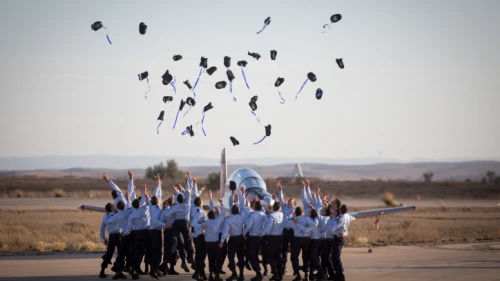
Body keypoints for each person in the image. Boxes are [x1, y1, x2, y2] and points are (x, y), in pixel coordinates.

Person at [122, 195, 151, 280]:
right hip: (146, 233)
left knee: (137, 252)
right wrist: (146, 195)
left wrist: (125, 233)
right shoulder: (145, 210)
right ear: (140, 204)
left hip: (138, 234)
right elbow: (150, 203)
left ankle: (133, 268)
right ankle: (151, 268)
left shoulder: (132, 214)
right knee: (148, 250)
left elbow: (130, 227)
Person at [197, 202, 226, 281]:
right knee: (219, 259)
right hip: (215, 243)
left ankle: (210, 274)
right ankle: (217, 274)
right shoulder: (216, 222)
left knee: (211, 259)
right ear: (214, 216)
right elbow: (223, 214)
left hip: (208, 244)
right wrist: (221, 205)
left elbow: (199, 228)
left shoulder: (205, 222)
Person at [223, 193, 246, 281]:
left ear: (231, 211)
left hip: (232, 239)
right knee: (240, 257)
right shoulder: (241, 217)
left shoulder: (228, 219)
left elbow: (225, 232)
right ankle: (241, 275)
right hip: (240, 238)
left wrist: (222, 241)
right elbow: (242, 205)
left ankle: (234, 273)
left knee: (231, 257)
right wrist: (242, 194)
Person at [243, 196, 266, 281]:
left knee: (251, 256)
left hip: (253, 238)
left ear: (254, 207)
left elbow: (248, 226)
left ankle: (258, 273)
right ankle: (258, 271)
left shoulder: (253, 215)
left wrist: (244, 233)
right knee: (255, 256)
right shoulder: (263, 214)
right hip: (260, 237)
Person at [330, 205, 355, 281]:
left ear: (341, 210)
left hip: (338, 238)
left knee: (335, 256)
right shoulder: (347, 216)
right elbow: (353, 218)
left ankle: (340, 273)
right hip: (341, 237)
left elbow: (335, 226)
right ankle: (338, 272)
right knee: (335, 256)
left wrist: (329, 226)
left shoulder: (342, 218)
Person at [291, 206, 317, 281]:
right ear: (302, 212)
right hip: (306, 239)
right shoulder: (306, 218)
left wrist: (299, 225)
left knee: (294, 257)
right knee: (305, 257)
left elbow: (293, 227)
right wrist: (307, 229)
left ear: (296, 213)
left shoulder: (295, 219)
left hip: (297, 239)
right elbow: (314, 225)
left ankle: (298, 274)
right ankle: (306, 275)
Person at [261, 199, 283, 281]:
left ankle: (276, 273)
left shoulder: (272, 216)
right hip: (280, 237)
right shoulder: (281, 214)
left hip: (272, 238)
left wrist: (263, 233)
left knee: (271, 256)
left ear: (273, 207)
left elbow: (268, 226)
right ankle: (280, 274)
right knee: (278, 256)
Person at [277, 182, 295, 275]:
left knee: (293, 251)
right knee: (283, 250)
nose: (288, 202)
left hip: (292, 232)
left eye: (290, 201)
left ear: (293, 203)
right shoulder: (284, 208)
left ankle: (295, 268)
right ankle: (283, 267)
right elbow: (281, 199)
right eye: (288, 201)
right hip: (285, 231)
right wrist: (280, 191)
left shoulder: (295, 210)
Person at [99, 202, 117, 278]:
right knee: (122, 253)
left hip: (111, 237)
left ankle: (102, 271)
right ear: (112, 208)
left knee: (108, 254)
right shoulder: (117, 215)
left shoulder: (105, 217)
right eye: (114, 206)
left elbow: (102, 228)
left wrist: (104, 238)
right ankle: (117, 269)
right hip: (119, 236)